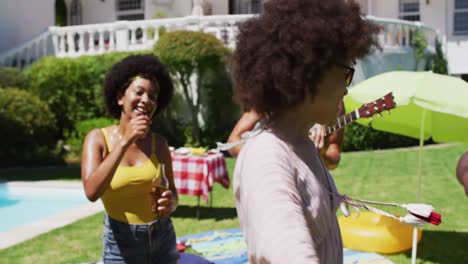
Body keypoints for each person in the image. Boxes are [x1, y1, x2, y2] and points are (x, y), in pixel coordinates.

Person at [231, 0, 380, 262]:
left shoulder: (301, 143)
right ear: (311, 73)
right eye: (345, 72)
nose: (347, 88)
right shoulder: (267, 158)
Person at [81, 54, 179, 263]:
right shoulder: (98, 139)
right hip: (120, 243)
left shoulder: (158, 144)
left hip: (162, 238)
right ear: (119, 97)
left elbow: (174, 195)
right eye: (139, 92)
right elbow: (91, 191)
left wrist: (170, 203)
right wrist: (125, 141)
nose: (146, 100)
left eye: (153, 96)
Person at [227, 100, 346, 170]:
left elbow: (334, 157)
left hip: (313, 185)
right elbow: (233, 141)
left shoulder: (336, 101)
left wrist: (322, 155)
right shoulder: (275, 92)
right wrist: (273, 157)